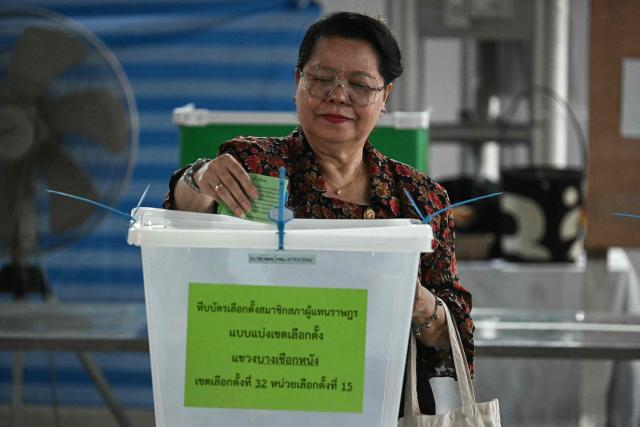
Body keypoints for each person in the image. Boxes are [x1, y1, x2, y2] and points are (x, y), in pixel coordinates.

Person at [163, 11, 473, 416]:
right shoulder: (253, 164)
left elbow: (453, 332)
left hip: (378, 406)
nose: (338, 96)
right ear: (297, 83)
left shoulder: (419, 197)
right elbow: (185, 211)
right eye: (321, 79)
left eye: (360, 85)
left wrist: (419, 304)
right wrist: (199, 177)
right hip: (259, 392)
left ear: (385, 97)